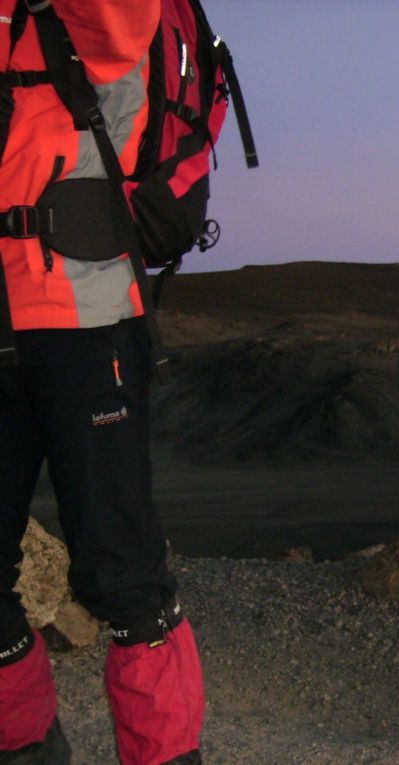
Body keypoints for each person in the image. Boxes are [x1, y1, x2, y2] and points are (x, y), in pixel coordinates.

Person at [0, 3, 204, 764]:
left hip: (84, 315)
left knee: (123, 577)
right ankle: (23, 745)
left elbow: (121, 29)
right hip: (6, 316)